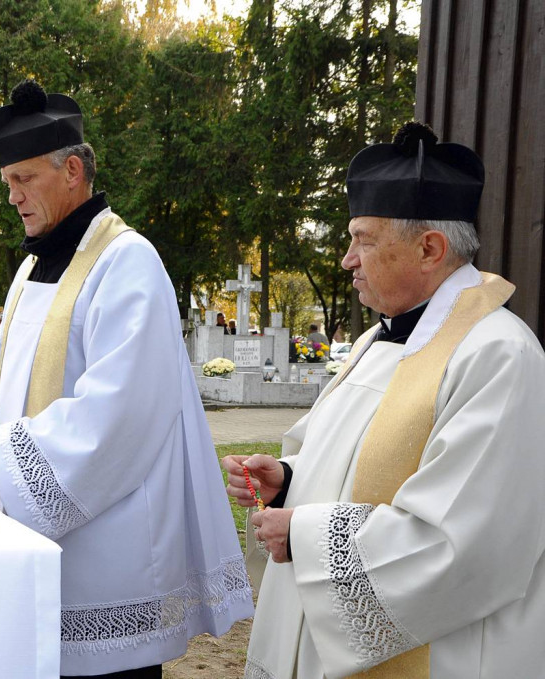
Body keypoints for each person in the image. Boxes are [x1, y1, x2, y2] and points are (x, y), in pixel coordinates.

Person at [0, 79, 251, 678]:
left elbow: (120, 411)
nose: (12, 197)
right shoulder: (33, 265)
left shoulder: (127, 261)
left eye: (24, 179)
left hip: (110, 553)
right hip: (34, 539)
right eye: (8, 183)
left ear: (72, 170)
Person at [223, 122, 545, 679]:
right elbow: (359, 458)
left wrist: (303, 532)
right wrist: (289, 477)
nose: (348, 259)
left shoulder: (498, 354)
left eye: (363, 241)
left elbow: (459, 540)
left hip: (445, 655)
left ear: (429, 248)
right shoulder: (381, 338)